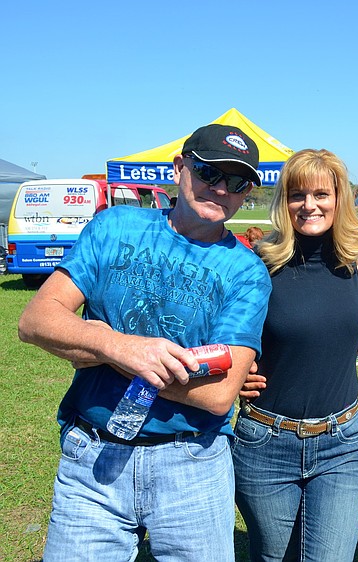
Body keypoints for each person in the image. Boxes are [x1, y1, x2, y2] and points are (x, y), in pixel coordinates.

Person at [18, 123, 271, 561]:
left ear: (247, 193)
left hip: (192, 464)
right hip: (92, 458)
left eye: (237, 182)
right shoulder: (115, 227)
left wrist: (101, 347)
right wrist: (119, 345)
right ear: (179, 168)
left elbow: (218, 393)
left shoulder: (247, 272)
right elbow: (36, 319)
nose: (220, 189)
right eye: (209, 172)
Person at [232, 149, 358, 562]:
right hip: (264, 444)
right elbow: (212, 333)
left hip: (341, 444)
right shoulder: (258, 266)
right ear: (284, 202)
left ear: (339, 198)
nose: (309, 205)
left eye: (321, 194)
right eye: (297, 195)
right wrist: (231, 373)